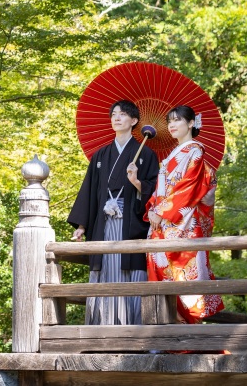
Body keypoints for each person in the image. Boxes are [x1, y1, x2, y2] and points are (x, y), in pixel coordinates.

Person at [68, 100, 159, 325]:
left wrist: (137, 182)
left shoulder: (146, 155)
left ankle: (133, 330)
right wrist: (82, 225)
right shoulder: (100, 156)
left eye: (123, 114)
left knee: (129, 269)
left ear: (134, 121)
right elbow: (89, 191)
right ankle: (101, 330)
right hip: (104, 222)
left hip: (130, 222)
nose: (116, 118)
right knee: (105, 269)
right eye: (114, 114)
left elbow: (156, 192)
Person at [145, 105, 224, 324]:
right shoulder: (175, 152)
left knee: (183, 280)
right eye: (169, 121)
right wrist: (154, 208)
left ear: (191, 123)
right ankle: (165, 335)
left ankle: (186, 336)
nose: (171, 125)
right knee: (162, 277)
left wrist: (161, 211)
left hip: (182, 223)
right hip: (163, 223)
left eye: (178, 120)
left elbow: (188, 187)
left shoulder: (195, 151)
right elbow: (163, 189)